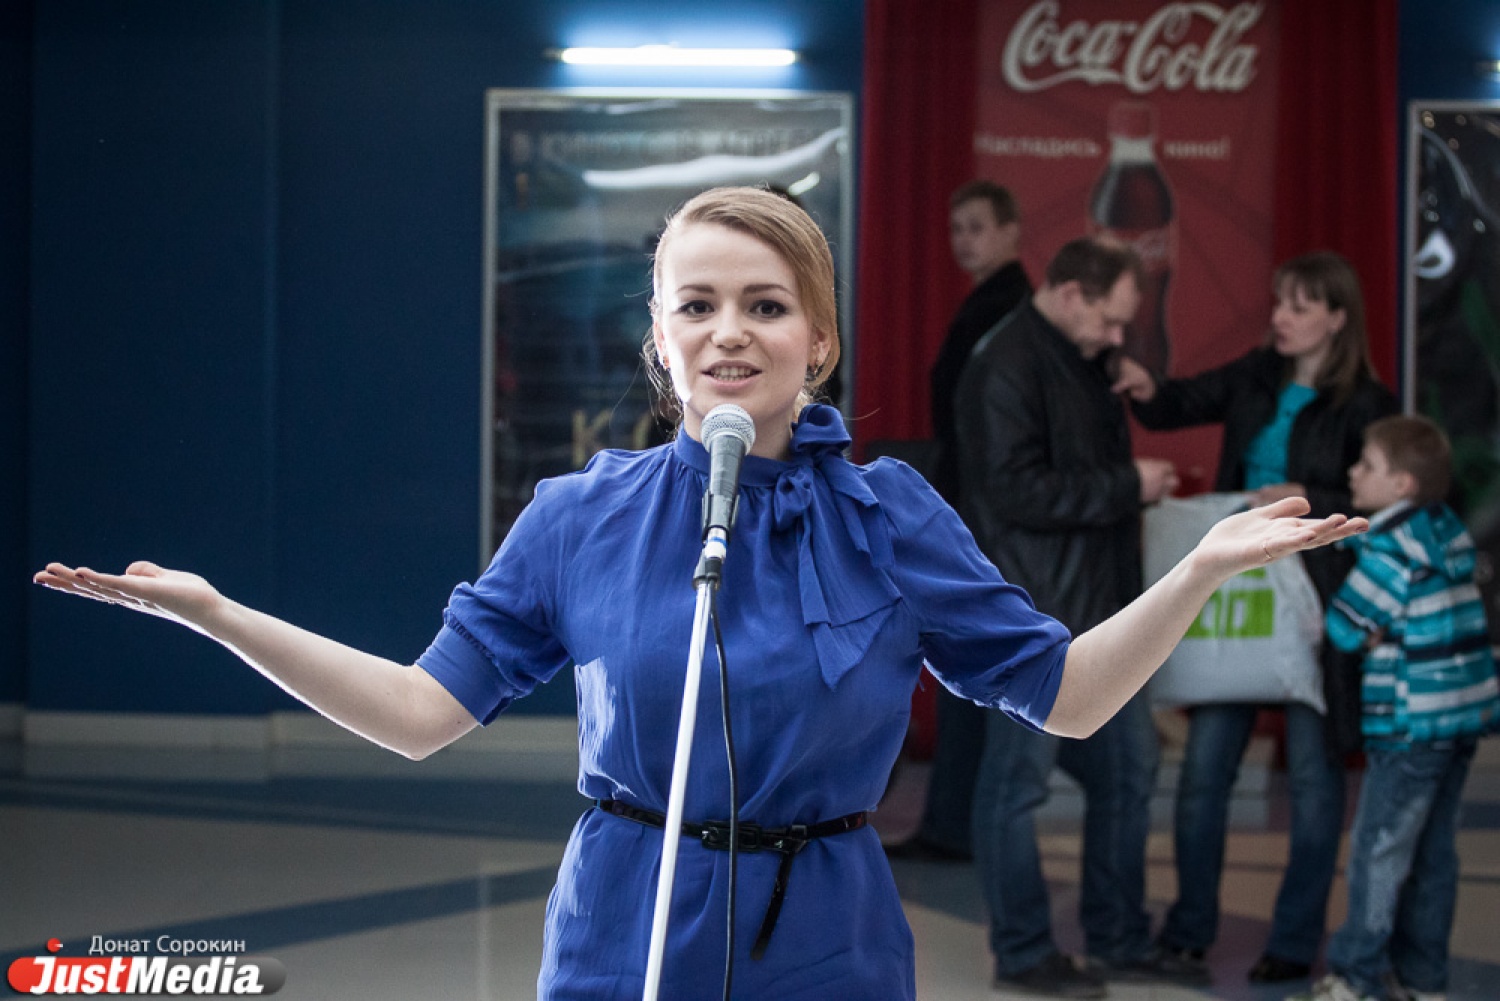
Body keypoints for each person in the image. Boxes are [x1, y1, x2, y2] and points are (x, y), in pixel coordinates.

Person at [34, 187, 1365, 1001]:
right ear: (661, 341)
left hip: (829, 938)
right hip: (624, 923)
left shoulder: (891, 513)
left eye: (767, 306)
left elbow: (1064, 696)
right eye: (699, 305)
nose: (731, 331)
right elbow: (421, 713)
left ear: (818, 340)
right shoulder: (580, 516)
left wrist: (1195, 571)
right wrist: (219, 614)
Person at [1114, 250, 1401, 984]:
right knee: (1203, 772)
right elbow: (1179, 402)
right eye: (1279, 303)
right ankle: (1188, 931)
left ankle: (1294, 941)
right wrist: (1145, 387)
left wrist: (1309, 492)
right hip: (1241, 595)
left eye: (1300, 306)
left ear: (1337, 318)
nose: (1280, 317)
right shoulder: (1255, 373)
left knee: (1313, 782)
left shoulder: (1369, 403)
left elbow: (1385, 501)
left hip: (1318, 604)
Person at [957, 237, 1185, 998]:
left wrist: (1119, 378)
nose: (1118, 335)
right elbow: (1014, 492)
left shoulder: (1077, 356)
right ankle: (1024, 952)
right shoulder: (1004, 363)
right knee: (1015, 787)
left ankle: (1118, 938)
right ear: (1072, 293)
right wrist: (1129, 484)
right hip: (1035, 616)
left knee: (1129, 772)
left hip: (1100, 609)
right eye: (1111, 320)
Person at [1290, 416, 1500, 1001]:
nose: (1353, 472)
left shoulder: (1389, 548)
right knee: (1434, 853)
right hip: (1459, 717)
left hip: (1409, 724)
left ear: (1402, 484)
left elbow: (1344, 624)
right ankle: (1424, 979)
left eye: (1367, 465)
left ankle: (1356, 976)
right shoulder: (1447, 532)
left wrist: (1368, 631)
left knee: (1379, 850)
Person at [889, 179, 1032, 863]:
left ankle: (959, 824)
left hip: (981, 514)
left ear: (1011, 231)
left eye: (977, 226)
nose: (964, 241)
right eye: (957, 228)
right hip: (969, 507)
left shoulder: (1008, 310)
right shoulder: (988, 306)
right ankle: (956, 821)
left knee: (965, 665)